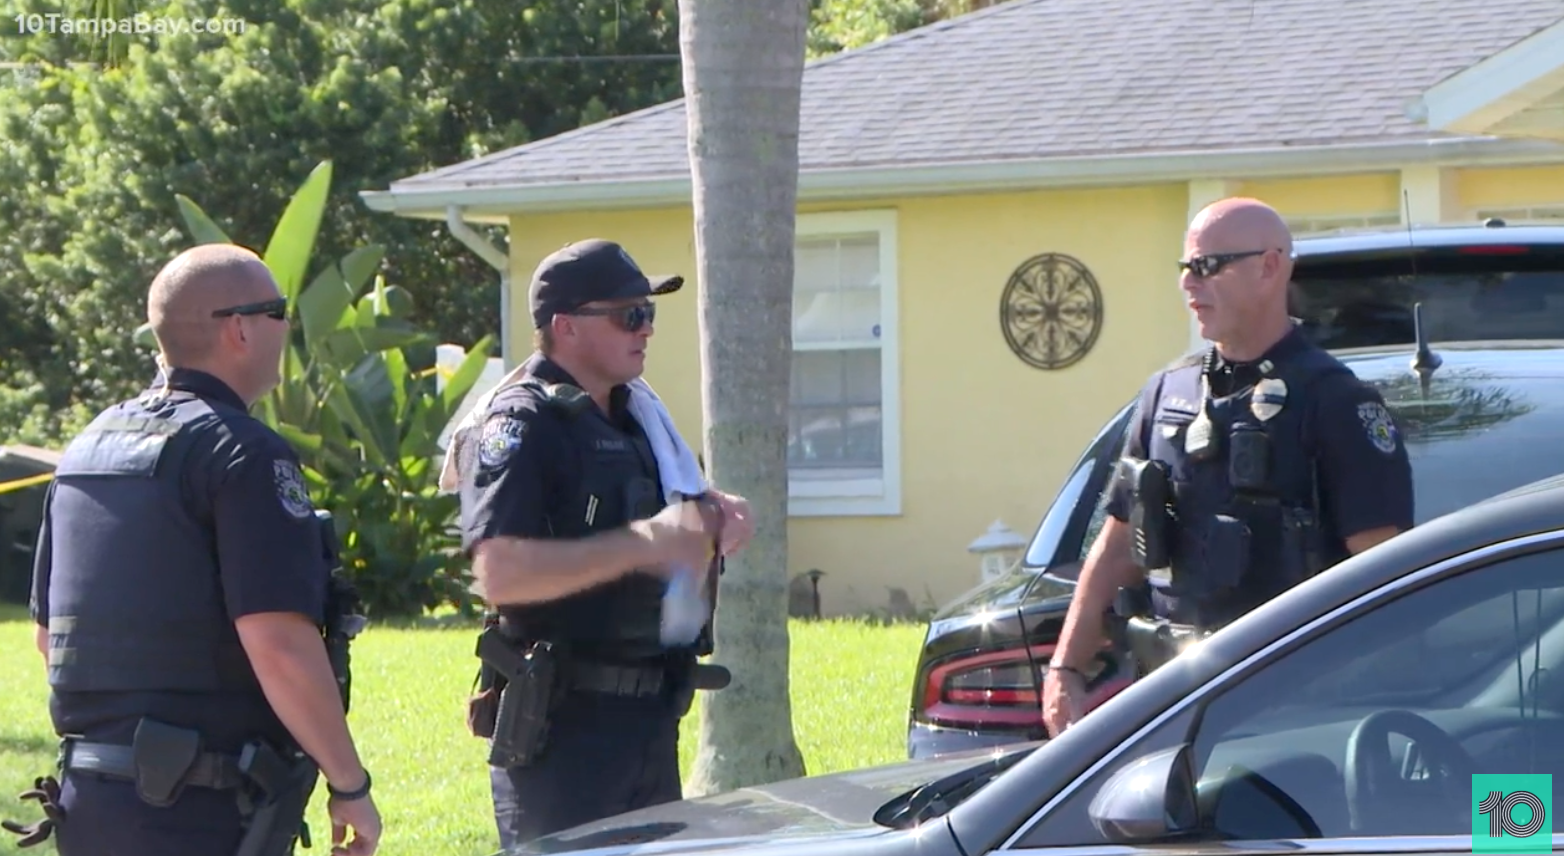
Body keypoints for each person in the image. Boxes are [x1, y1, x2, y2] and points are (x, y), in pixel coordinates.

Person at [6, 245, 381, 855]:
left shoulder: (86, 450)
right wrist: (349, 783)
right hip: (200, 807)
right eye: (279, 311)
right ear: (239, 328)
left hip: (93, 801)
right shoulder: (244, 453)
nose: (287, 328)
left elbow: (50, 638)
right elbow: (280, 643)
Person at [1041, 198, 1414, 737]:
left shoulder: (1335, 401)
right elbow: (1118, 544)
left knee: (1513, 822)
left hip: (1295, 715)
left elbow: (1383, 576)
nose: (1190, 284)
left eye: (1208, 266)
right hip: (1172, 704)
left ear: (1269, 267)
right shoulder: (1167, 394)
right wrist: (1065, 669)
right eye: (1185, 268)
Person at [446, 238, 755, 848]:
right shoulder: (524, 421)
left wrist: (713, 509)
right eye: (628, 315)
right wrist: (649, 542)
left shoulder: (637, 415)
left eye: (649, 314)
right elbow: (499, 574)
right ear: (565, 327)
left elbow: (660, 506)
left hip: (649, 718)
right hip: (565, 732)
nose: (645, 330)